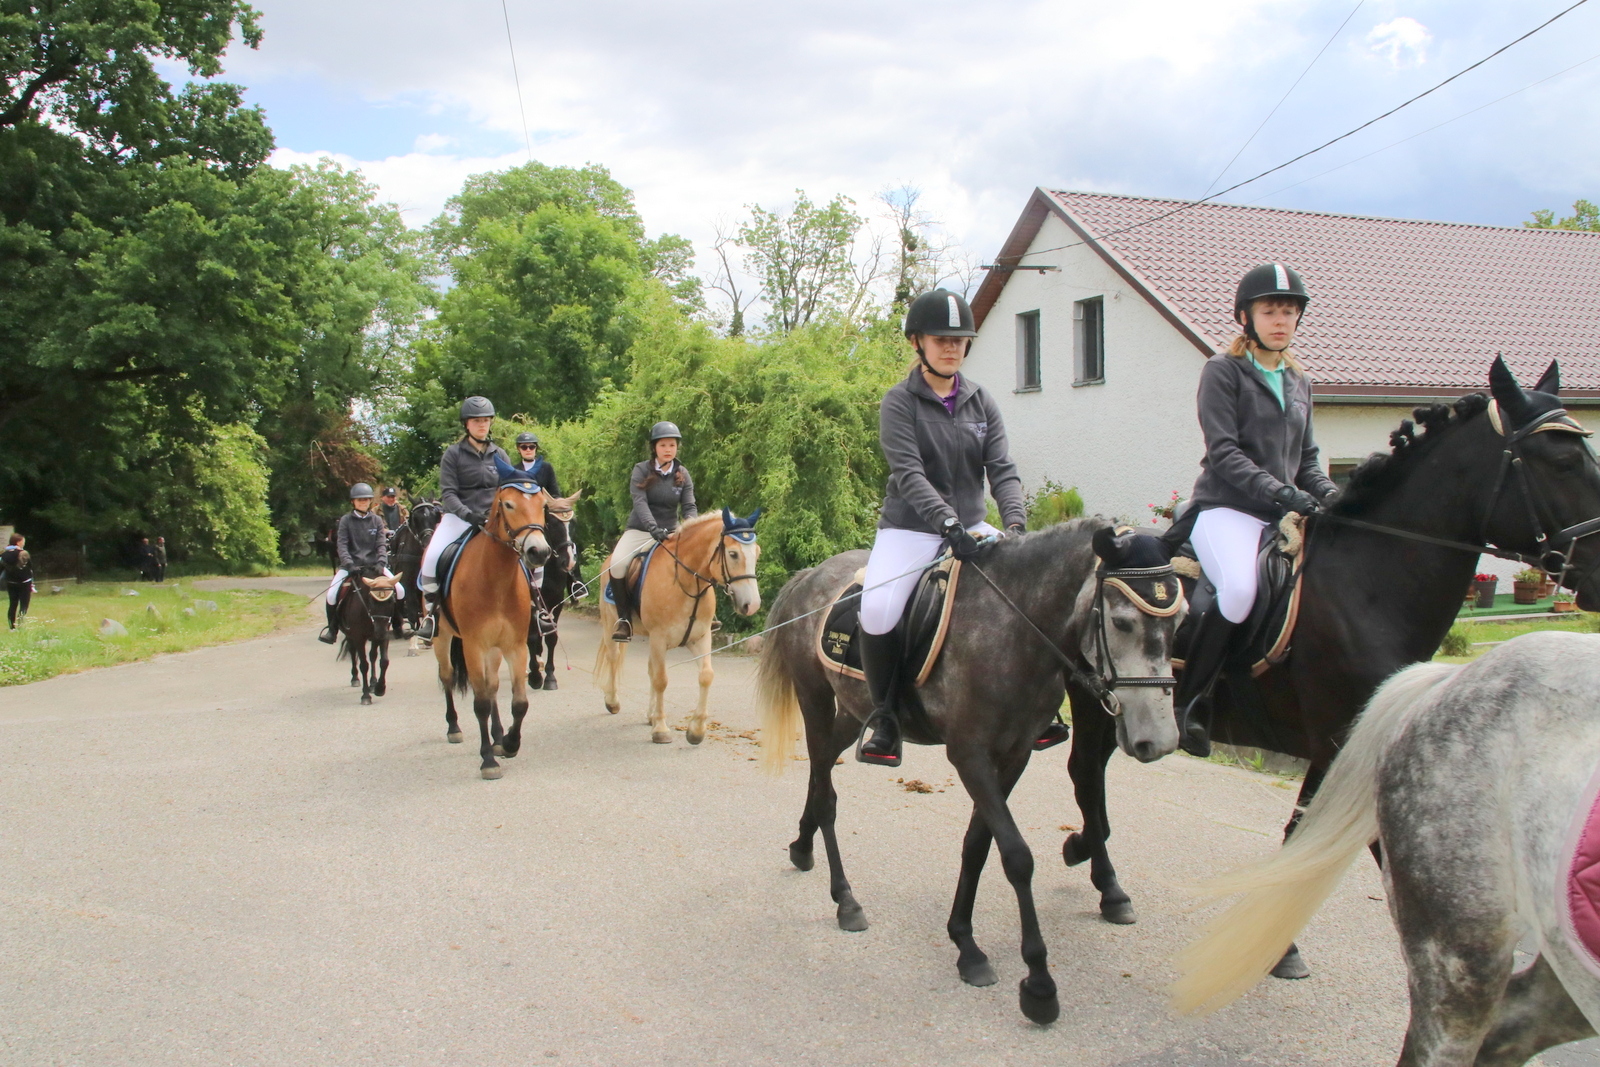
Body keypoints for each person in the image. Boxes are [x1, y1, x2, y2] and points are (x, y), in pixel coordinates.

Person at [855, 288, 1047, 768]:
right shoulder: (899, 403)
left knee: (1032, 591)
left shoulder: (982, 402)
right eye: (941, 340)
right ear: (917, 342)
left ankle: (1039, 709)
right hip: (911, 530)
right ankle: (885, 717)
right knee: (877, 608)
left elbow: (1002, 469)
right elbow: (909, 473)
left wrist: (1016, 524)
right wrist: (945, 522)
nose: (951, 348)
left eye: (960, 341)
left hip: (974, 526)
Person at [1173, 263, 1339, 756]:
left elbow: (1306, 460)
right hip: (1228, 510)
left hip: (1280, 516)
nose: (1280, 320)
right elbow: (1224, 452)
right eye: (1270, 310)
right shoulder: (1223, 372)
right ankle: (1191, 702)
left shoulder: (1298, 380)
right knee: (1241, 588)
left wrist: (1331, 496)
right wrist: (1280, 492)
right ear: (1246, 316)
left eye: (1289, 311)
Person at [416, 397, 511, 640]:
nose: (482, 425)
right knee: (432, 555)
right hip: (459, 517)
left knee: (528, 553)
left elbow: (508, 490)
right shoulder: (453, 454)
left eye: (486, 420)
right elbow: (448, 492)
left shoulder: (500, 454)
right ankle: (430, 613)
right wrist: (468, 514)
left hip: (494, 520)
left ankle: (536, 608)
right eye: (476, 421)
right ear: (466, 425)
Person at [605, 421, 696, 642]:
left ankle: (700, 615)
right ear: (654, 447)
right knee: (617, 564)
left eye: (672, 445)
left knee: (699, 562)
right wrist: (652, 528)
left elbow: (689, 506)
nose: (668, 449)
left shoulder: (682, 473)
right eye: (663, 445)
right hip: (640, 530)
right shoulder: (641, 470)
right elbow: (640, 502)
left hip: (673, 532)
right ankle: (624, 620)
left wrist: (691, 528)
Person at [318, 483, 403, 644]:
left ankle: (398, 625)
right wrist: (349, 564)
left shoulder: (376, 520)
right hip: (351, 567)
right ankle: (332, 630)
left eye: (365, 500)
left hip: (374, 566)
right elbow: (342, 545)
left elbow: (381, 545)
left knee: (400, 590)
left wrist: (381, 562)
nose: (362, 502)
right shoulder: (345, 521)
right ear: (353, 502)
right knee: (331, 595)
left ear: (370, 501)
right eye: (359, 500)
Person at [2, 533, 33, 629]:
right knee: (24, 604)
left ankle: (12, 627)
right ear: (18, 542)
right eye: (23, 541)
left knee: (13, 604)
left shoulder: (4, 554)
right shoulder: (23, 553)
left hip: (11, 582)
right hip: (24, 582)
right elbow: (30, 567)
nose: (23, 543)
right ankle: (21, 625)